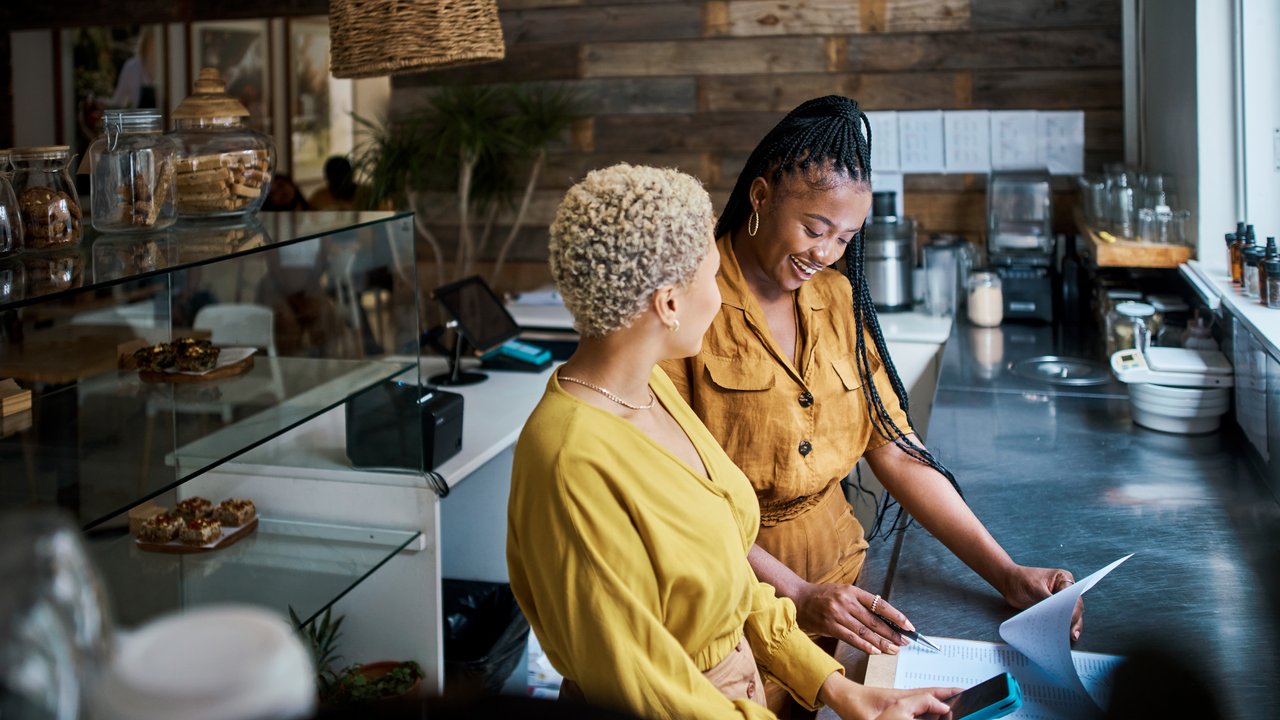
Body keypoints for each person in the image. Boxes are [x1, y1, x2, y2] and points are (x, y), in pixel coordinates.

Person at [658, 96, 1082, 712]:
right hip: (734, 600)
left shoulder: (836, 299)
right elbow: (675, 494)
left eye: (847, 236)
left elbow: (897, 449)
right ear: (760, 197)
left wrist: (1008, 575)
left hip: (843, 589)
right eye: (813, 228)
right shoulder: (691, 300)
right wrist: (796, 592)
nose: (826, 253)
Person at [507, 163, 957, 720]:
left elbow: (728, 575)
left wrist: (840, 690)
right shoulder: (569, 460)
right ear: (670, 303)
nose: (723, 301)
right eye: (713, 276)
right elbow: (648, 690)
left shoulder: (647, 389)